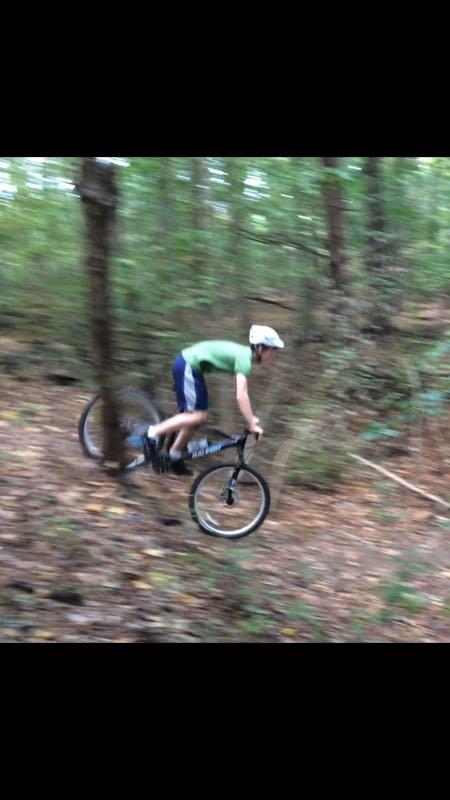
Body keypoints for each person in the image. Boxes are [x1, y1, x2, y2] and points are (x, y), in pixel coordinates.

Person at [142, 325, 284, 475]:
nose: (274, 354)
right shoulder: (245, 357)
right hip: (188, 365)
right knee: (198, 416)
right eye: (273, 350)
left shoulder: (243, 355)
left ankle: (174, 456)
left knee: (198, 418)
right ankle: (152, 433)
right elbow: (241, 395)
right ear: (261, 348)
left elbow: (239, 389)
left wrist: (251, 418)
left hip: (191, 366)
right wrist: (251, 423)